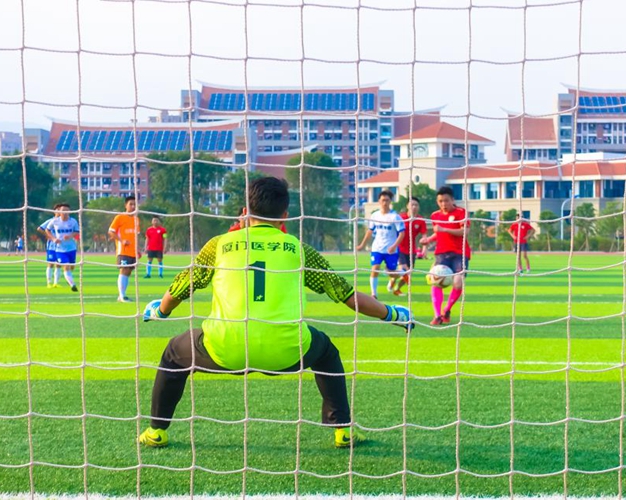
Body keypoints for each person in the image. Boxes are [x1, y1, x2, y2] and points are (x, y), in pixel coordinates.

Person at [137, 177, 413, 449]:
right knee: (327, 352)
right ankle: (342, 431)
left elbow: (181, 288)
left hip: (225, 349)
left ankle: (156, 431)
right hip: (288, 353)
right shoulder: (298, 249)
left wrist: (160, 311)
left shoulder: (219, 245)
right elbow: (349, 297)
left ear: (244, 212)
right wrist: (392, 314)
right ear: (285, 215)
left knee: (174, 353)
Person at [419, 186, 471, 326]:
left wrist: (445, 229)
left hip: (460, 253)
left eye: (446, 201)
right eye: (440, 201)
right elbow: (438, 233)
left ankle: (447, 310)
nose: (443, 204)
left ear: (453, 200)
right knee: (435, 281)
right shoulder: (435, 215)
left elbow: (465, 231)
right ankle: (437, 316)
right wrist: (428, 240)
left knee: (458, 282)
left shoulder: (461, 212)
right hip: (441, 253)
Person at [356, 190, 405, 299]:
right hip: (377, 248)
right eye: (383, 200)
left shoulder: (395, 217)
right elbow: (370, 231)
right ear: (379, 201)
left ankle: (400, 274)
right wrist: (362, 245)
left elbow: (402, 233)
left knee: (392, 273)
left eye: (387, 200)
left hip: (390, 250)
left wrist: (394, 246)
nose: (385, 203)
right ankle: (374, 294)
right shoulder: (375, 215)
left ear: (390, 201)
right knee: (375, 268)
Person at [393, 197, 428, 296]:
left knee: (408, 273)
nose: (414, 207)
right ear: (407, 206)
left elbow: (424, 236)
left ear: (419, 207)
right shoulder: (400, 218)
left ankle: (396, 288)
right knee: (404, 270)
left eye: (416, 205)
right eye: (412, 205)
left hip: (411, 250)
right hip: (399, 248)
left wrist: (424, 249)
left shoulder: (420, 220)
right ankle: (392, 278)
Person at [108, 196, 140, 302]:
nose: (133, 206)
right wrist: (122, 241)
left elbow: (136, 236)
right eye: (131, 204)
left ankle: (122, 295)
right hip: (123, 250)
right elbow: (111, 232)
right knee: (123, 270)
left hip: (133, 251)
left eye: (135, 204)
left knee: (128, 272)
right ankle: (122, 295)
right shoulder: (120, 217)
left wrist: (138, 249)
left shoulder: (136, 219)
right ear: (125, 205)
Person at [45, 203, 81, 292]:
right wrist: (53, 238)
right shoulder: (54, 221)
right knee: (66, 266)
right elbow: (47, 230)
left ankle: (69, 279)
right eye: (63, 211)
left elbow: (77, 231)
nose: (64, 213)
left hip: (71, 248)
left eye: (67, 211)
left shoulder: (73, 221)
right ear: (59, 212)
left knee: (71, 267)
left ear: (69, 212)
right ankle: (73, 285)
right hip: (60, 249)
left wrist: (70, 236)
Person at [37, 205, 61, 288]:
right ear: (54, 211)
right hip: (51, 246)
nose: (60, 211)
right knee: (50, 264)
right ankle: (49, 282)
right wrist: (48, 235)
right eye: (58, 210)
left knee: (59, 264)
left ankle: (56, 283)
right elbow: (40, 228)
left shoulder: (63, 222)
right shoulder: (50, 221)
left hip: (61, 246)